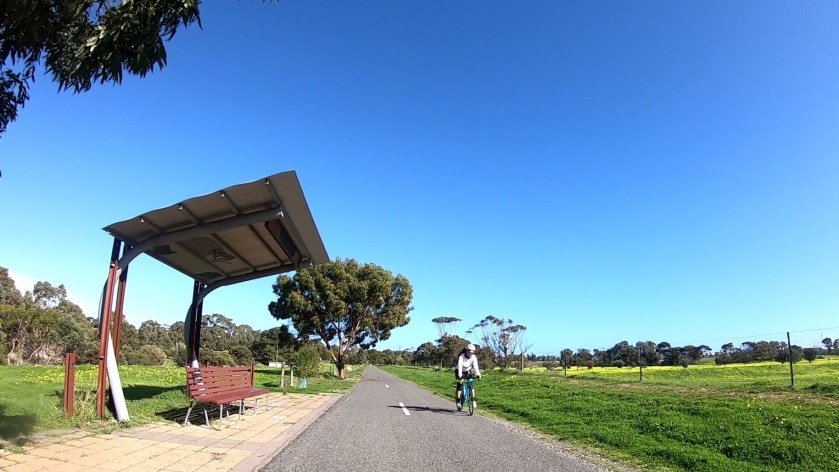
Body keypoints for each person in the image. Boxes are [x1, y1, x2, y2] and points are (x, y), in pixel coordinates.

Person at [454, 343, 481, 411]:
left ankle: (473, 400)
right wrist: (460, 375)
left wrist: (478, 374)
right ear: (466, 351)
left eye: (472, 352)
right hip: (459, 371)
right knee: (460, 384)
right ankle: (458, 401)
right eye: (469, 352)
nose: (470, 354)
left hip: (467, 371)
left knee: (471, 384)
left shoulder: (474, 357)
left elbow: (476, 367)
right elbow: (460, 366)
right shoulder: (461, 356)